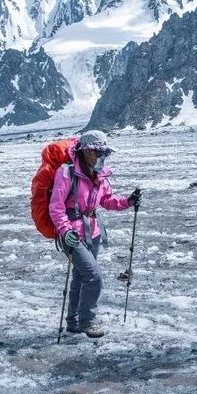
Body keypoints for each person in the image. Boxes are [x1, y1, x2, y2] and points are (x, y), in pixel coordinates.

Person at [49, 130, 140, 338]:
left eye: (103, 153)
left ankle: (73, 322)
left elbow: (106, 200)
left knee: (80, 276)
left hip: (93, 231)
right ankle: (87, 321)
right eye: (96, 153)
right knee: (93, 276)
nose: (100, 157)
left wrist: (128, 201)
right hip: (71, 233)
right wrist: (65, 230)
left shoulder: (99, 174)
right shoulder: (66, 173)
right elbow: (56, 207)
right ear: (84, 152)